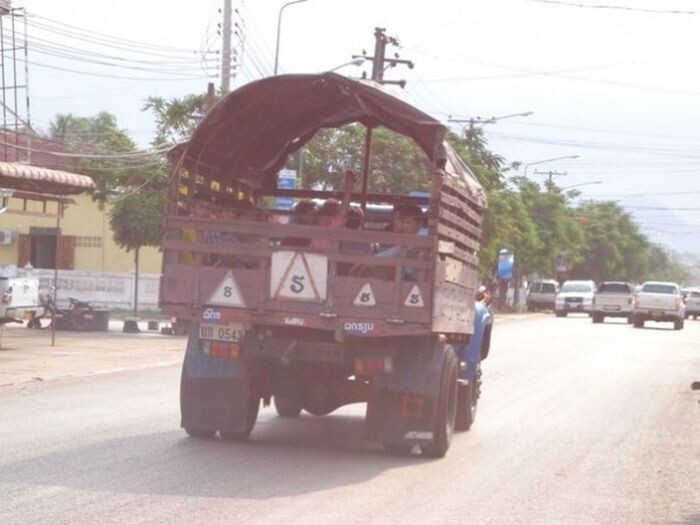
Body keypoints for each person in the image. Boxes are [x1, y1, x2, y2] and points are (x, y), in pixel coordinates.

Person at [309, 170, 356, 249]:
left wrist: (349, 188)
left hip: (331, 259)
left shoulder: (335, 225)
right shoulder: (314, 232)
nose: (326, 218)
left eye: (331, 214)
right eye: (325, 213)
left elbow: (343, 209)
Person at [179, 191, 215, 266]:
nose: (205, 212)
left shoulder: (212, 226)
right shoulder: (186, 228)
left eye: (208, 209)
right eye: (201, 207)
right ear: (192, 208)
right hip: (189, 269)